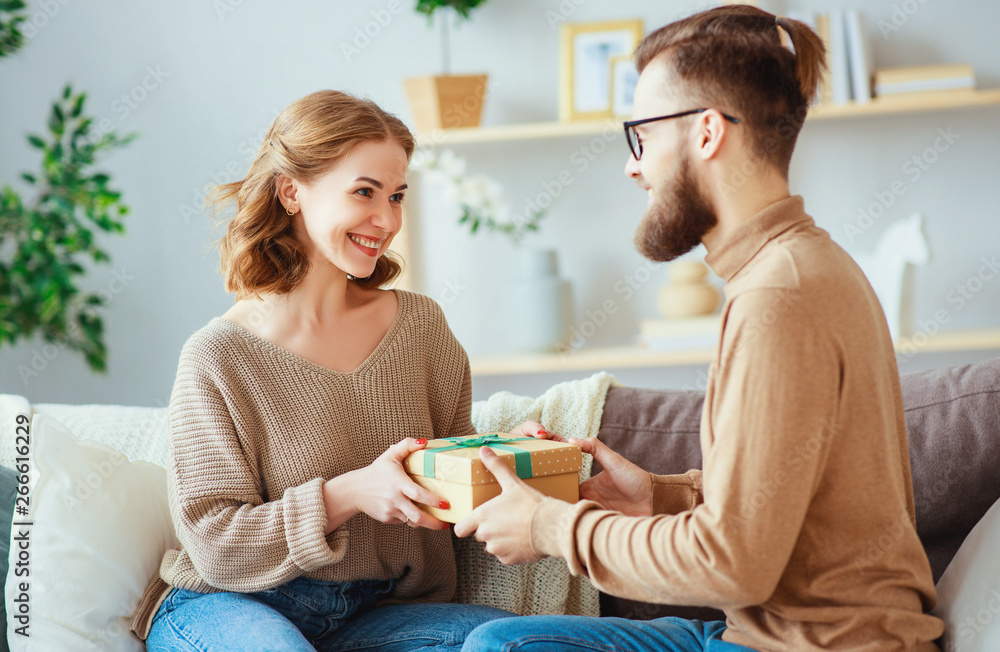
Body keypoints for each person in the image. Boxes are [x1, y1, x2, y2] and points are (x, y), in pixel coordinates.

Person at [455, 5, 945, 651]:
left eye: (642, 136)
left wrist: (552, 528)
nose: (634, 167)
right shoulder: (794, 270)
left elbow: (734, 561)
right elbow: (780, 508)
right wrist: (657, 495)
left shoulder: (780, 296)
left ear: (708, 132)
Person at [129, 90, 517, 651]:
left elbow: (447, 474)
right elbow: (215, 542)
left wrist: (510, 457)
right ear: (291, 191)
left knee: (515, 641)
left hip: (380, 612)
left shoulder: (422, 329)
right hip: (234, 605)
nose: (386, 220)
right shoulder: (218, 357)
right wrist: (350, 493)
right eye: (364, 192)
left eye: (397, 196)